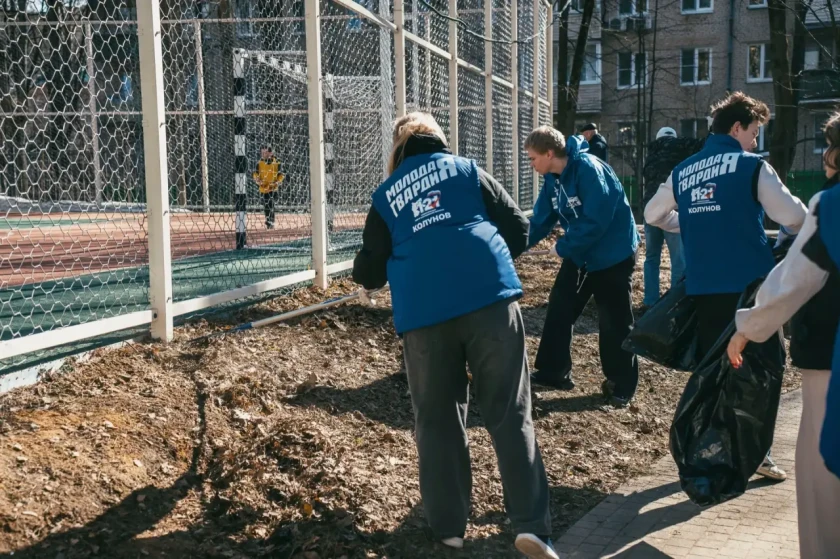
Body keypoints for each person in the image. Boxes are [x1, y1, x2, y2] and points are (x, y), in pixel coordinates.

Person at [352, 112, 558, 559]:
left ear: (397, 148)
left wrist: (379, 270)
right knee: (510, 412)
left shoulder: (386, 195)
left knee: (437, 421)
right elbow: (519, 228)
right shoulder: (467, 170)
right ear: (438, 139)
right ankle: (531, 527)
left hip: (424, 313)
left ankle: (448, 529)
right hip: (489, 300)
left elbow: (369, 271)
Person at [645, 91, 807, 480]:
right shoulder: (752, 166)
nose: (754, 141)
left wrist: (690, 222)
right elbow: (794, 216)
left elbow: (652, 214)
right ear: (736, 128)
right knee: (761, 371)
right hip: (752, 290)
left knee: (718, 372)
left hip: (704, 289)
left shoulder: (684, 170)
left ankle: (711, 452)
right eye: (753, 132)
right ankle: (756, 455)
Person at [726, 110, 840, 558]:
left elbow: (795, 278)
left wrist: (748, 327)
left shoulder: (831, 205)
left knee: (822, 472)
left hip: (829, 354)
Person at [526, 126, 640, 407]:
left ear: (549, 153)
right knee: (560, 306)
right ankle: (553, 371)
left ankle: (621, 385)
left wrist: (564, 246)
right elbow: (540, 220)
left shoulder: (589, 169)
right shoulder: (552, 180)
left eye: (532, 158)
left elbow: (596, 220)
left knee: (614, 320)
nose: (531, 164)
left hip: (612, 254)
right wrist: (512, 244)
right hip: (582, 254)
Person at [640, 126, 706, 310]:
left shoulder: (652, 153)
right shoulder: (680, 147)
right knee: (678, 259)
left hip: (650, 209)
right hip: (673, 209)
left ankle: (650, 301)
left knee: (651, 258)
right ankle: (674, 304)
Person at [252, 145, 285, 229]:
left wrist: (278, 182)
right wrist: (257, 179)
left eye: (265, 152)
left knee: (271, 203)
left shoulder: (277, 162)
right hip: (263, 188)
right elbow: (255, 174)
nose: (263, 154)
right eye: (262, 153)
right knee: (266, 205)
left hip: (273, 187)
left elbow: (281, 174)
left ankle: (271, 221)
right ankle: (269, 220)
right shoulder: (259, 163)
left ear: (270, 153)